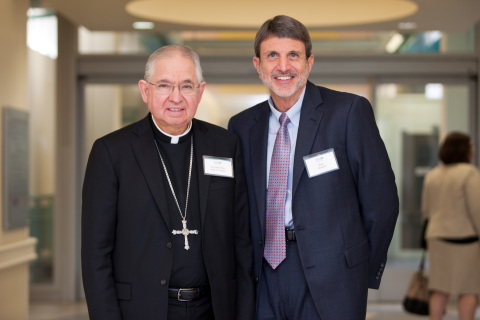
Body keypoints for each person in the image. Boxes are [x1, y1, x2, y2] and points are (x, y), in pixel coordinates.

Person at [228, 15, 399, 320]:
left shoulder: (347, 112)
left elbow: (381, 201)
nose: (283, 66)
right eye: (272, 56)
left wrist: (359, 270)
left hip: (333, 278)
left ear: (309, 63)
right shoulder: (241, 126)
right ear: (258, 65)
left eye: (293, 55)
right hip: (263, 276)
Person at [81, 45, 255, 320]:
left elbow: (242, 242)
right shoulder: (112, 152)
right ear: (145, 90)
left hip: (214, 309)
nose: (176, 97)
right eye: (164, 85)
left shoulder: (225, 145)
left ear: (200, 91)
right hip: (141, 310)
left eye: (186, 86)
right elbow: (96, 254)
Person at [421, 132, 480, 320]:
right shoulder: (470, 173)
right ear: (465, 150)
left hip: (437, 238)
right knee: (468, 289)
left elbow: (425, 210)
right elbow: (477, 209)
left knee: (439, 288)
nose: (474, 149)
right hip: (465, 239)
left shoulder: (432, 175)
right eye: (471, 146)